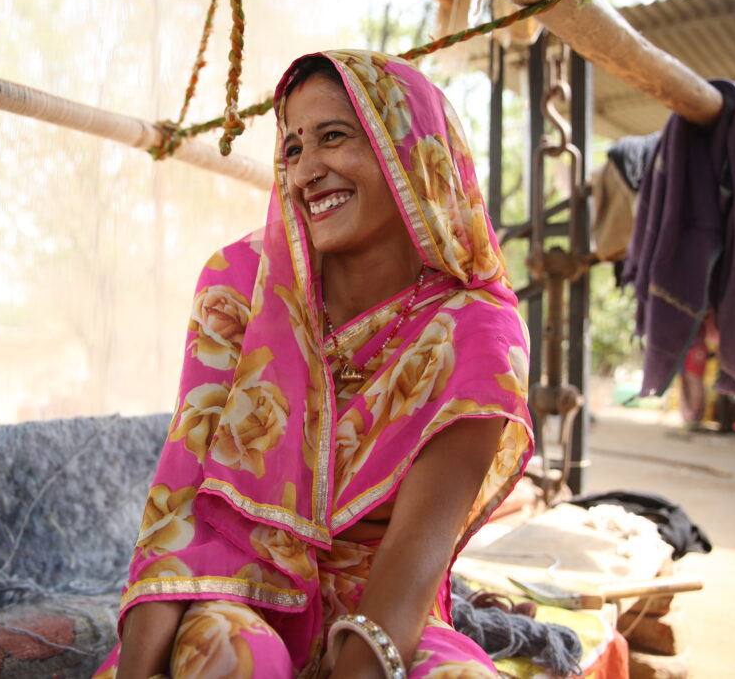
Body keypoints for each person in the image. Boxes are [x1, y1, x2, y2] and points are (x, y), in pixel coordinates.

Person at [92, 50, 533, 679]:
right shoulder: (240, 283)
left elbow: (413, 558)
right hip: (232, 587)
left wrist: (359, 664)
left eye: (334, 137)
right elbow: (181, 497)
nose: (306, 172)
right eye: (293, 148)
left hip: (382, 611)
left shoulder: (476, 329)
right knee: (232, 654)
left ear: (410, 151)